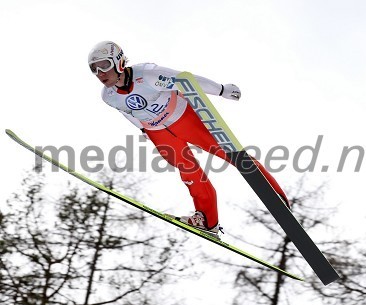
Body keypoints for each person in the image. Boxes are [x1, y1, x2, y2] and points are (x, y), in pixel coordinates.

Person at [88, 41, 289, 238]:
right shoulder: (108, 96)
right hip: (158, 131)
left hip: (183, 117)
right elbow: (128, 111)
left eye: (104, 65)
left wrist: (221, 90)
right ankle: (207, 221)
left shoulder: (147, 74)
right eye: (94, 69)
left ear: (119, 62)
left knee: (228, 152)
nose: (100, 74)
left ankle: (273, 194)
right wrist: (143, 129)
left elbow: (186, 81)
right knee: (187, 170)